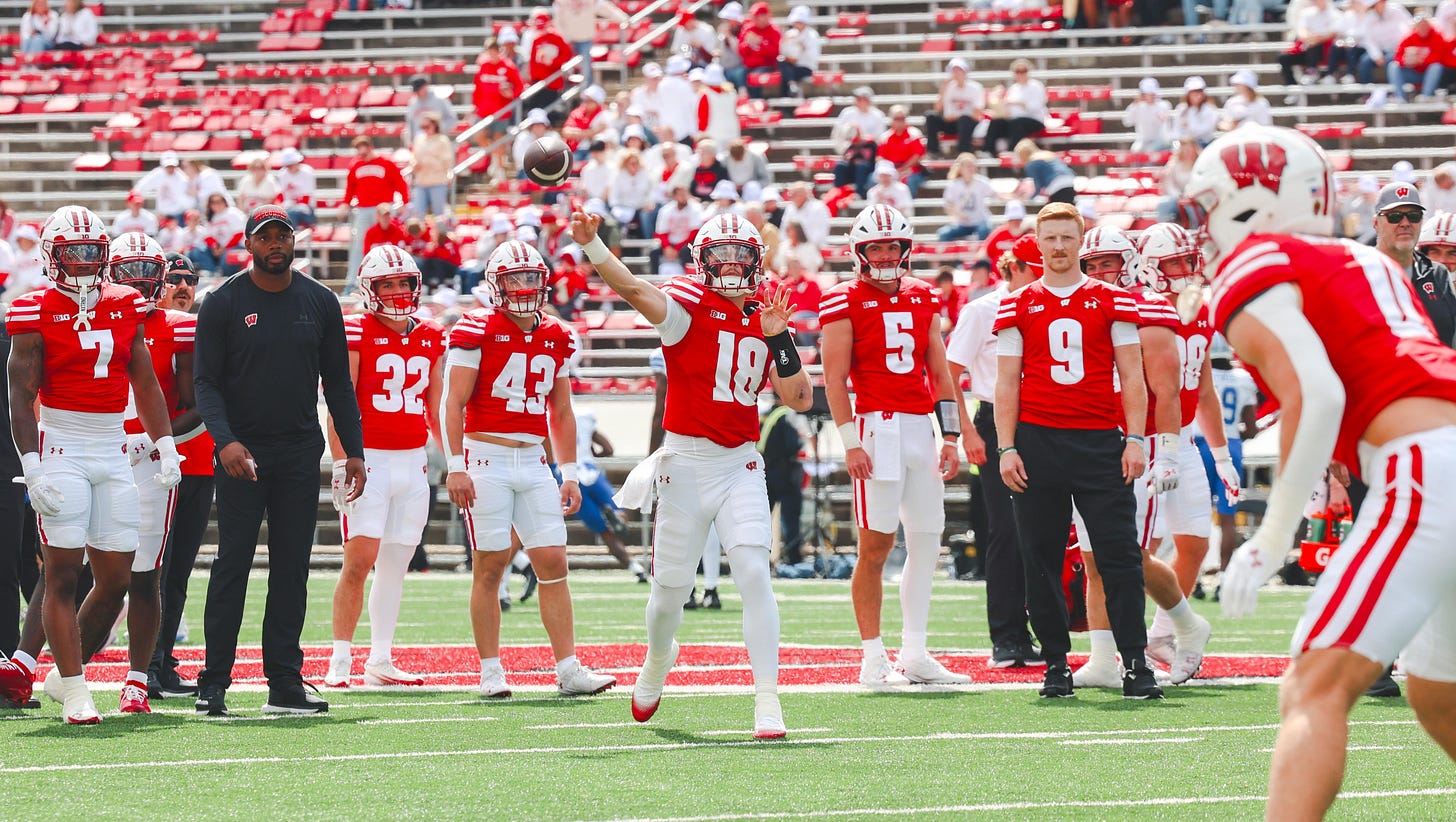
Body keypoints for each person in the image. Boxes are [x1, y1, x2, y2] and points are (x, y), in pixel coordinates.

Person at [1186, 122, 1456, 819]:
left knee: (1313, 686)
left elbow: (1321, 393)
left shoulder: (1258, 264)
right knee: (1435, 687)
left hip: (1428, 467)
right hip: (1436, 450)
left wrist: (1271, 540)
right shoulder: (1367, 262)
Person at [573, 210, 811, 738]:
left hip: (740, 462)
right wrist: (593, 247)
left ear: (755, 261)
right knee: (668, 594)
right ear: (702, 263)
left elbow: (799, 398)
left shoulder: (767, 312)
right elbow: (635, 289)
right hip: (683, 463)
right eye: (720, 257)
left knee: (754, 574)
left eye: (740, 257)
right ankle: (658, 660)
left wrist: (779, 339)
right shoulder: (685, 306)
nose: (730, 266)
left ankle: (768, 700)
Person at [0, 207, 182, 723]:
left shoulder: (126, 303)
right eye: (72, 254)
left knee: (118, 578)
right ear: (51, 256)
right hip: (62, 445)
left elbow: (144, 381)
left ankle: (60, 675)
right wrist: (32, 465)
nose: (82, 265)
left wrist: (165, 444)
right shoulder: (32, 309)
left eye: (92, 254)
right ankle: (78, 691)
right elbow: (19, 393)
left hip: (113, 449)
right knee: (60, 573)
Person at [192, 206, 366, 717]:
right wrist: (224, 442)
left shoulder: (320, 301)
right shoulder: (222, 302)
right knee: (233, 566)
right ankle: (214, 681)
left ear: (294, 243)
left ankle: (285, 681)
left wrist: (352, 451)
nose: (275, 244)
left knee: (292, 568)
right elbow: (206, 381)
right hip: (240, 452)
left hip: (297, 451)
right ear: (248, 244)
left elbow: (337, 382)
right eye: (265, 236)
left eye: (282, 236)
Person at [992, 201, 1159, 700]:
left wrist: (1135, 437)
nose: (1060, 247)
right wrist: (1006, 447)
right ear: (1038, 244)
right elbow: (1007, 384)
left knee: (1120, 557)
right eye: (1051, 238)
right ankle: (1056, 664)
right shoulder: (1018, 303)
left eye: (1068, 237)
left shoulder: (1111, 300)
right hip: (1038, 441)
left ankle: (1134, 661)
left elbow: (1132, 374)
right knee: (1039, 558)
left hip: (1098, 443)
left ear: (1080, 242)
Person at [441, 240, 616, 698]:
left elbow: (561, 411)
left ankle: (568, 668)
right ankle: (491, 670)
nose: (524, 287)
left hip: (536, 460)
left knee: (554, 560)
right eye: (514, 279)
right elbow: (453, 401)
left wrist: (570, 471)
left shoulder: (556, 333)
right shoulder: (475, 327)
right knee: (491, 565)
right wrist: (455, 465)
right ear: (496, 285)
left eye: (532, 278)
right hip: (486, 457)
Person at [820, 205, 966, 687]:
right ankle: (872, 655)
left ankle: (916, 652)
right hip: (876, 428)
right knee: (876, 547)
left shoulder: (923, 296)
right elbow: (835, 380)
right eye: (875, 247)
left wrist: (950, 436)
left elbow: (941, 375)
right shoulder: (842, 300)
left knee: (927, 541)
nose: (885, 255)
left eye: (892, 246)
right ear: (859, 252)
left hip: (921, 427)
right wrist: (849, 442)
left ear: (906, 250)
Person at [1069, 226, 1215, 689]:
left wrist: (1168, 450)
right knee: (1093, 556)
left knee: (1126, 554)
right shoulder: (1081, 304)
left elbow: (1167, 389)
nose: (1098, 273)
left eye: (1107, 262)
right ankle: (1101, 657)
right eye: (1090, 265)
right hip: (1091, 439)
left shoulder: (1146, 306)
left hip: (1142, 440)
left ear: (1131, 262)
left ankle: (1185, 624)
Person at [319, 247, 444, 689]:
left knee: (396, 563)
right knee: (358, 560)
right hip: (366, 458)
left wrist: (458, 461)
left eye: (404, 283)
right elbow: (339, 402)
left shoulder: (431, 334)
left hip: (413, 461)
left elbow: (437, 407)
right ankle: (339, 658)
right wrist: (340, 460)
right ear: (369, 290)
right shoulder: (354, 330)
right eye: (387, 284)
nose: (397, 291)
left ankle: (381, 659)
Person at [1133, 223, 1240, 652]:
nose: (1185, 270)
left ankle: (1160, 634)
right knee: (1141, 548)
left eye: (1187, 261)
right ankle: (1136, 634)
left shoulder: (1199, 312)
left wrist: (1223, 457)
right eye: (1173, 263)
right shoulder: (1142, 311)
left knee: (1194, 543)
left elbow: (1205, 389)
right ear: (1149, 268)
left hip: (1188, 439)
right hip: (1146, 442)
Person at [946, 240, 1042, 668]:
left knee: (1042, 531)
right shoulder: (982, 310)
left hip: (1043, 422)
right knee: (1006, 530)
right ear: (1014, 267)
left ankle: (1038, 629)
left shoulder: (1045, 305)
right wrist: (965, 431)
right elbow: (947, 374)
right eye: (1034, 268)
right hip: (992, 419)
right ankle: (1006, 636)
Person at [148, 253, 212, 699]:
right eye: (174, 279)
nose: (183, 286)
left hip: (200, 462)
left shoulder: (200, 330)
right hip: (152, 464)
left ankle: (163, 660)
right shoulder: (143, 327)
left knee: (178, 572)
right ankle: (145, 664)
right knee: (150, 570)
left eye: (190, 279)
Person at [1195, 333, 1258, 581]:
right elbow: (1250, 429)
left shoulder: (1201, 374)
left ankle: (1196, 576)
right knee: (1227, 515)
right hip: (1230, 446)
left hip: (1201, 444)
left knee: (1196, 513)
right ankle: (1223, 576)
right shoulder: (1243, 379)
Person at [1374, 183, 1456, 347]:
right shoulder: (1357, 271)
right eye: (1395, 216)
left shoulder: (1438, 274)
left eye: (1414, 216)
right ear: (1376, 223)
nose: (1405, 223)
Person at [341, 136, 410, 293]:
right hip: (364, 208)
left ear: (370, 147)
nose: (362, 155)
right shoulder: (356, 165)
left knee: (388, 242)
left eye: (364, 151)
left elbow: (400, 183)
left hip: (384, 208)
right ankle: (354, 281)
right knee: (360, 245)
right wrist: (346, 203)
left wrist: (404, 202)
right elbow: (350, 187)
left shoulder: (386, 163)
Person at [982, 60, 1047, 156]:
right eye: (1018, 71)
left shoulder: (1036, 86)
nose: (1020, 74)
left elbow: (1036, 106)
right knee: (996, 122)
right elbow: (1008, 111)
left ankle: (1013, 152)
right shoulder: (1013, 88)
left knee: (1017, 123)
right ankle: (987, 151)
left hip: (1034, 120)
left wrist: (1018, 103)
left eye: (1023, 71)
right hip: (1015, 121)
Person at [924, 58, 984, 158]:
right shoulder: (948, 87)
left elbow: (977, 114)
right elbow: (937, 108)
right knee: (930, 116)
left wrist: (957, 116)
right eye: (953, 71)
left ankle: (963, 151)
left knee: (964, 119)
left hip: (968, 124)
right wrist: (943, 88)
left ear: (965, 71)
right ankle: (933, 151)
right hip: (950, 123)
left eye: (958, 70)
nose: (956, 73)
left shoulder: (976, 88)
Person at [938, 154, 994, 242]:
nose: (970, 168)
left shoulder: (982, 183)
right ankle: (949, 255)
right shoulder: (954, 185)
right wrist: (958, 214)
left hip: (979, 222)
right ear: (960, 168)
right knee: (944, 233)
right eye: (967, 166)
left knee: (984, 229)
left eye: (972, 165)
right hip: (961, 224)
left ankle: (982, 255)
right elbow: (948, 205)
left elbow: (996, 194)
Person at [132, 151, 193, 226]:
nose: (170, 168)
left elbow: (186, 201)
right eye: (168, 166)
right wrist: (137, 202)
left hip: (178, 215)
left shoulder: (182, 178)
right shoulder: (158, 174)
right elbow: (141, 187)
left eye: (172, 166)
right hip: (162, 214)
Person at [777, 5, 819, 97]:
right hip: (789, 66)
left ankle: (790, 87)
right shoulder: (789, 34)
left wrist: (802, 48)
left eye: (800, 22)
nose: (798, 24)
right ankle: (791, 86)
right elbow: (782, 52)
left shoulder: (812, 35)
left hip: (805, 67)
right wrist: (784, 41)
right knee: (782, 65)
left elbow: (813, 57)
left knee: (786, 76)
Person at [404, 75, 458, 145]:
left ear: (426, 86)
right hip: (420, 142)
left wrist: (438, 129)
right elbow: (410, 124)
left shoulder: (439, 99)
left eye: (419, 89)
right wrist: (411, 141)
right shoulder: (412, 103)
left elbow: (452, 119)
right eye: (416, 90)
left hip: (438, 139)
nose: (417, 92)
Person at [276, 148, 317, 229]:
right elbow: (280, 195)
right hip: (287, 208)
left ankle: (290, 238)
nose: (289, 168)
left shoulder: (307, 173)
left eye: (290, 165)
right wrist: (281, 206)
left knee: (290, 215)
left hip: (306, 210)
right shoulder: (282, 174)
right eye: (287, 166)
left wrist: (292, 203)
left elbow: (306, 198)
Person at [1172, 76, 1218, 148]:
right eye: (1193, 92)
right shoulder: (1181, 108)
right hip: (1185, 145)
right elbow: (1177, 131)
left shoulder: (1210, 109)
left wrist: (1189, 127)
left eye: (1199, 91)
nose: (1197, 95)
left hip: (1205, 144)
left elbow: (1207, 130)